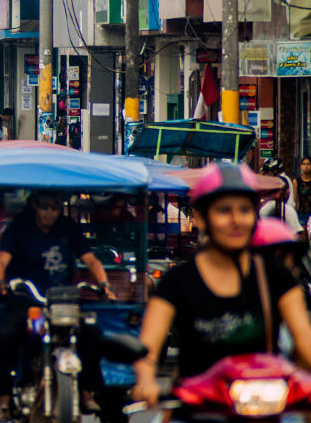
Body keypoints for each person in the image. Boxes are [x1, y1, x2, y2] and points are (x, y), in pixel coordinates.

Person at [131, 162, 311, 409]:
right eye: (224, 211)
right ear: (201, 218)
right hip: (198, 406)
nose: (236, 220)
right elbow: (148, 350)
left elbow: (304, 342)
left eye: (244, 210)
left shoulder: (277, 277)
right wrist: (146, 380)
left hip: (264, 403)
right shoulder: (177, 281)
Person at [0, 193, 114, 421]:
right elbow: (1, 261)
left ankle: (86, 392)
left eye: (54, 208)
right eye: (45, 207)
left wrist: (104, 284)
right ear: (35, 206)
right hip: (27, 302)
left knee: (92, 333)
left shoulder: (68, 227)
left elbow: (91, 261)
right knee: (6, 335)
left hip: (63, 302)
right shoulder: (18, 228)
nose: (49, 213)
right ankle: (4, 398)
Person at [296, 156, 311, 224]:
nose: (306, 166)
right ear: (301, 166)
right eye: (304, 164)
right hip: (301, 213)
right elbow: (295, 199)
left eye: (308, 164)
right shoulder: (297, 181)